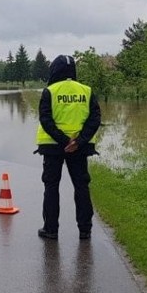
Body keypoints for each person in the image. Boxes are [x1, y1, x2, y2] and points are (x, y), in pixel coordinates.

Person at [35, 54, 101, 241]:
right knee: (81, 186)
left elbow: (46, 119)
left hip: (53, 147)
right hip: (80, 147)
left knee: (51, 187)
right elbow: (95, 118)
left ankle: (51, 230)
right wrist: (78, 141)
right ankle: (85, 230)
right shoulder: (87, 91)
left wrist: (64, 141)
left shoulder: (50, 91)